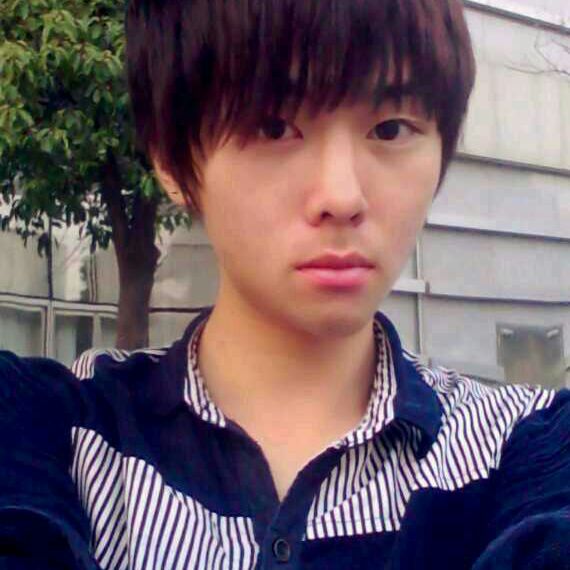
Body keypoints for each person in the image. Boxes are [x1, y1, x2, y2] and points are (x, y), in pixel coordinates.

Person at [1, 0, 569, 568]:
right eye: (274, 126)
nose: (342, 197)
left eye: (390, 129)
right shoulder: (51, 432)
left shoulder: (524, 450)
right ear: (171, 160)